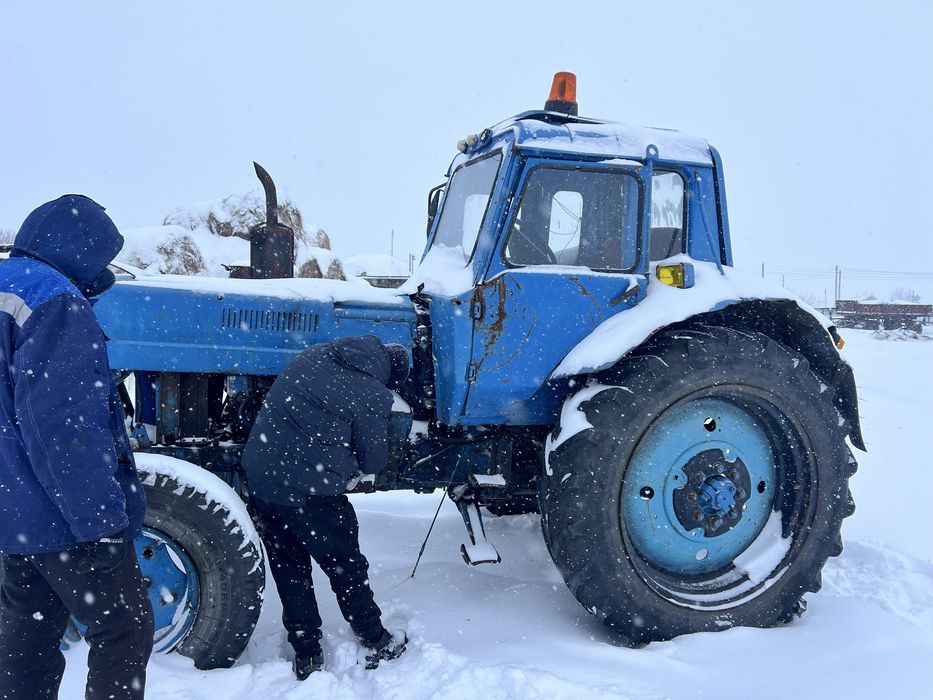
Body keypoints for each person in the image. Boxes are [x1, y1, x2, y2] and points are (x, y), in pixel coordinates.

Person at [0, 196, 153, 700]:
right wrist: (101, 524)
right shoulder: (54, 300)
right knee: (124, 630)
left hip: (13, 512)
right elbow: (64, 431)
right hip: (60, 516)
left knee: (28, 638)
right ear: (84, 250)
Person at [242, 335, 410, 679]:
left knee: (289, 567)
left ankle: (307, 651)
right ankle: (374, 638)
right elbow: (374, 459)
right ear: (389, 376)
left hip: (262, 480)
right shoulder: (373, 392)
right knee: (345, 565)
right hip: (309, 492)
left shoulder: (315, 355)